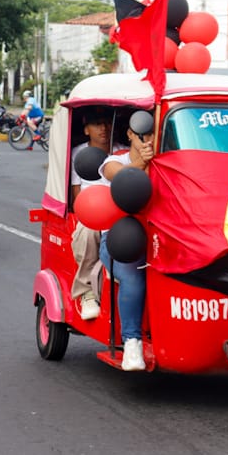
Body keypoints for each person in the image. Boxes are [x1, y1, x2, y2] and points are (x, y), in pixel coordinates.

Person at [98, 121, 155, 371]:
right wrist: (142, 163)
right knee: (133, 277)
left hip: (159, 237)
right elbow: (119, 176)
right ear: (131, 133)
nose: (149, 138)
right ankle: (131, 342)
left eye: (154, 132)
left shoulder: (165, 161)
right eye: (144, 133)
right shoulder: (114, 160)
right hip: (119, 240)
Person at [70, 108, 128, 320]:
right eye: (96, 124)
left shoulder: (123, 152)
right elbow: (77, 197)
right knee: (87, 231)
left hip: (122, 213)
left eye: (106, 123)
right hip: (92, 214)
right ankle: (86, 292)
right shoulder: (78, 154)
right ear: (86, 129)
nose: (103, 128)